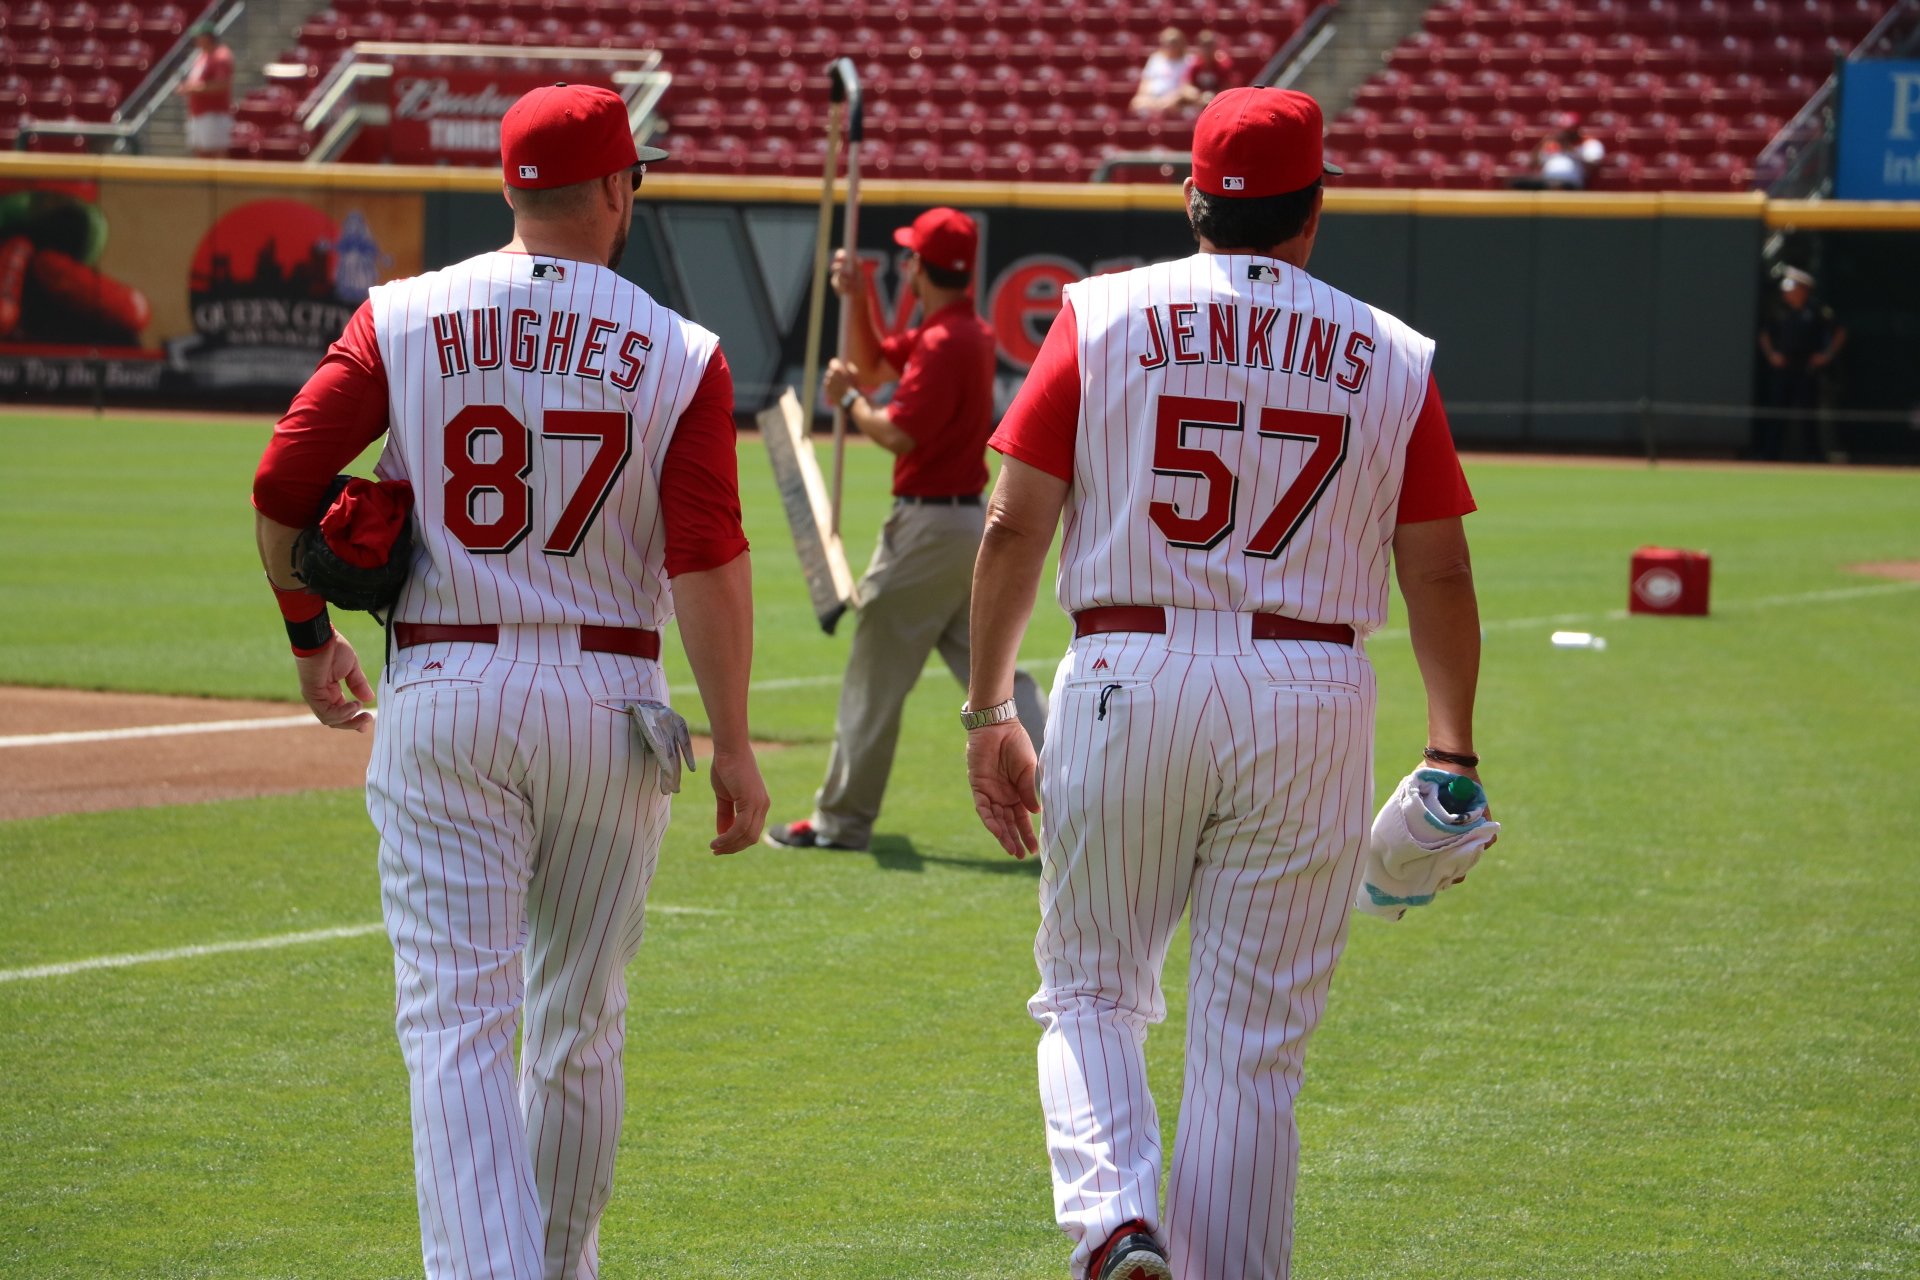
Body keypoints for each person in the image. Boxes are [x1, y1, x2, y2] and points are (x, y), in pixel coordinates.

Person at [963, 86, 1488, 1280]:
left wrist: (992, 704)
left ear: (1190, 199)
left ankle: (1113, 1221)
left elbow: (1012, 523)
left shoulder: (1098, 314)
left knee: (1090, 989)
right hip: (1311, 685)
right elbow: (1440, 564)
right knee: (1252, 1047)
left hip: (1128, 667)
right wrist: (1450, 746)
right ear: (1316, 211)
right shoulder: (1389, 351)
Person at [250, 84, 769, 1280]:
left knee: (459, 1029)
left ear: (508, 188)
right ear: (612, 189)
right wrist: (734, 738)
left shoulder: (404, 313)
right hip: (612, 705)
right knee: (580, 1029)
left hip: (449, 690)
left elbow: (285, 483)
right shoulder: (680, 349)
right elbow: (707, 559)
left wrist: (305, 632)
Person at [764, 206, 1047, 852]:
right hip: (959, 525)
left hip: (927, 529)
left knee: (873, 674)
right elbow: (873, 365)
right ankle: (1067, 778)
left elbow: (894, 428)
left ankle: (841, 821)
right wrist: (858, 302)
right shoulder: (958, 330)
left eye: (910, 257)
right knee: (996, 675)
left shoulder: (946, 341)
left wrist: (849, 402)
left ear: (920, 266)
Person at [1757, 266, 1846, 460]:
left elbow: (1839, 332)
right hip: (1783, 368)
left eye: (1792, 289)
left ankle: (1813, 456)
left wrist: (1827, 355)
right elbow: (1764, 334)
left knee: (1808, 414)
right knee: (1777, 412)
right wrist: (1772, 355)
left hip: (1807, 368)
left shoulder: (1817, 310)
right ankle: (1770, 456)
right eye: (1786, 290)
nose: (1787, 293)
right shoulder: (1779, 310)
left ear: (1803, 289)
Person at [179, 23, 234, 159]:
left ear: (208, 37)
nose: (195, 40)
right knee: (201, 153)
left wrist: (194, 88)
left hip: (213, 114)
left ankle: (220, 181)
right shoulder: (202, 56)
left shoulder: (220, 56)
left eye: (198, 37)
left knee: (216, 154)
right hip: (198, 113)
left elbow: (222, 84)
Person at [1130, 27, 1200, 117]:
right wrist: (1146, 98)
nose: (1171, 46)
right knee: (1137, 103)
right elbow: (1145, 84)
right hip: (1153, 99)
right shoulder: (1155, 59)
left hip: (1176, 99)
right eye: (1167, 43)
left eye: (1174, 43)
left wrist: (1169, 99)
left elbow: (1187, 86)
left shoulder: (1189, 60)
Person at [1187, 29, 1237, 102]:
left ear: (1215, 48)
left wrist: (1214, 96)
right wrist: (1198, 95)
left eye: (1210, 46)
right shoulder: (1195, 66)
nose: (1207, 50)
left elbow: (1228, 88)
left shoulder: (1223, 66)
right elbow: (1188, 86)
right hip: (1198, 100)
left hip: (1219, 100)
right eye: (1204, 46)